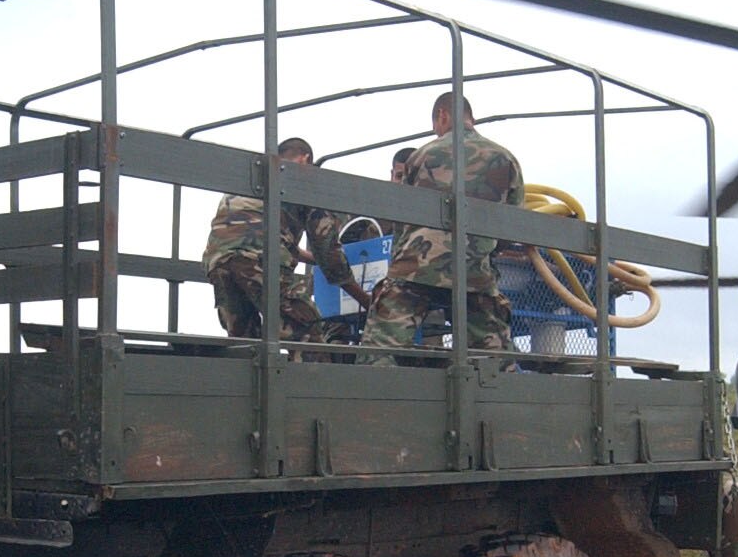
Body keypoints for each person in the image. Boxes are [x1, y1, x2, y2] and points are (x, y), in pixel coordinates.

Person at [361, 93, 522, 361]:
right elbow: (514, 223)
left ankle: (371, 395)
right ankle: (497, 393)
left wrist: (397, 264)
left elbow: (403, 219)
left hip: (416, 267)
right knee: (493, 354)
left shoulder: (422, 154)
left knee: (380, 347)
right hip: (474, 271)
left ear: (442, 116)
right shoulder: (506, 159)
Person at [202, 137, 368, 351]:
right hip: (260, 260)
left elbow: (261, 235)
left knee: (244, 342)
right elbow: (328, 251)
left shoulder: (253, 176)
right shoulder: (300, 178)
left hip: (218, 262)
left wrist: (311, 258)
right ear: (306, 159)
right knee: (307, 333)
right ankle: (310, 383)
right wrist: (365, 300)